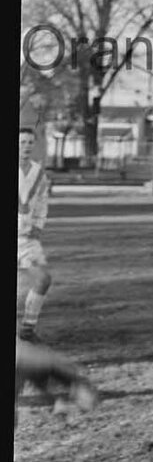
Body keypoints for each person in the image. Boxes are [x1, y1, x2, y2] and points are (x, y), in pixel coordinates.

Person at [18, 117, 52, 342]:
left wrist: (38, 225)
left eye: (30, 142)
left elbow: (42, 201)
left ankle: (28, 328)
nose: (26, 146)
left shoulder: (39, 173)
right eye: (22, 142)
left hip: (26, 238)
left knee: (43, 279)